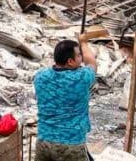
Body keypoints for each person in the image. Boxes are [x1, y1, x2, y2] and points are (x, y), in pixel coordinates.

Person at [33, 33, 97, 161]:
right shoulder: (81, 78)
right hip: (71, 145)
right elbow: (92, 62)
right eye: (79, 55)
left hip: (44, 142)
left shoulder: (40, 77)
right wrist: (83, 42)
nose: (81, 58)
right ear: (70, 61)